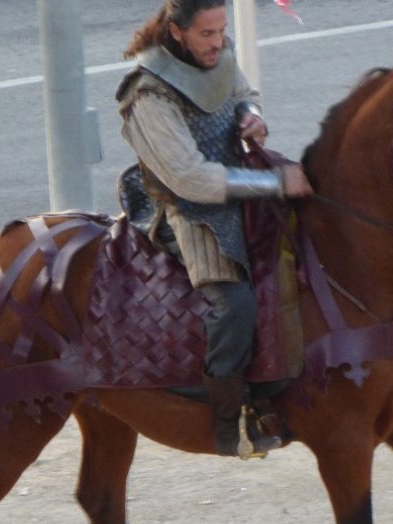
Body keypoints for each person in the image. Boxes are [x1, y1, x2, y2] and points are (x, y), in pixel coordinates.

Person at [117, 0, 313, 458]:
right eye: (207, 34)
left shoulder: (215, 53)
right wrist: (276, 182)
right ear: (177, 32)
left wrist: (251, 114)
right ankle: (228, 424)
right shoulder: (148, 93)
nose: (218, 41)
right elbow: (189, 178)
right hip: (187, 209)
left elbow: (242, 89)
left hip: (239, 186)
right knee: (234, 303)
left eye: (221, 30)